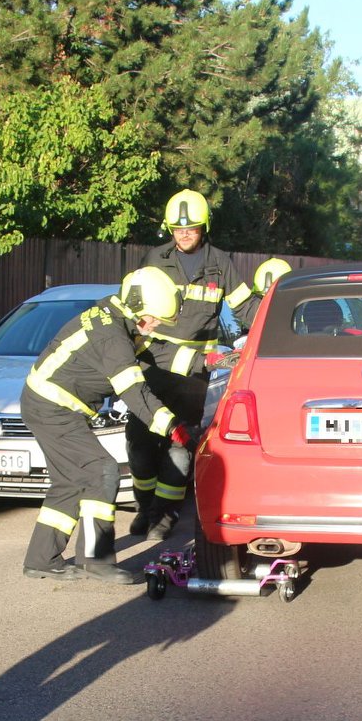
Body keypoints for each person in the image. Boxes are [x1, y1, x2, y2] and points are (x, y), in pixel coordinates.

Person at [21, 267, 188, 584]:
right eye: (150, 319)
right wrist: (171, 426)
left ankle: (41, 560)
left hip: (45, 402)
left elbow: (154, 360)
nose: (152, 328)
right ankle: (95, 559)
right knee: (102, 471)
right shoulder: (112, 335)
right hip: (53, 407)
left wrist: (205, 363)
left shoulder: (113, 317)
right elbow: (134, 391)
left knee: (70, 482)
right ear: (135, 305)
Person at [129, 189, 239, 540]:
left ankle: (165, 516)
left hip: (194, 376)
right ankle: (144, 506)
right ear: (169, 229)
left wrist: (263, 334)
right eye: (178, 229)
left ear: (204, 227)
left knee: (181, 444)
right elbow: (137, 307)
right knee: (140, 441)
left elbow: (244, 306)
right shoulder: (154, 259)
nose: (185, 234)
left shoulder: (220, 263)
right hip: (154, 369)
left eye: (191, 228)